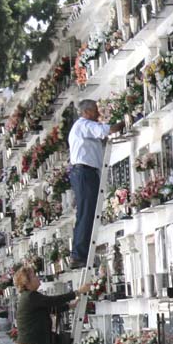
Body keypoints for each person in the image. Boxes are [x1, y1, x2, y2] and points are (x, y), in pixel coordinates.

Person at [68, 100, 123, 269]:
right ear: (86, 112)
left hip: (83, 173)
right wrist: (125, 121)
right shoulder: (84, 125)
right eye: (95, 111)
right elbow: (108, 130)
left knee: (87, 213)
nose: (98, 114)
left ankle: (81, 253)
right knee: (86, 214)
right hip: (85, 172)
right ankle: (79, 255)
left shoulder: (81, 127)